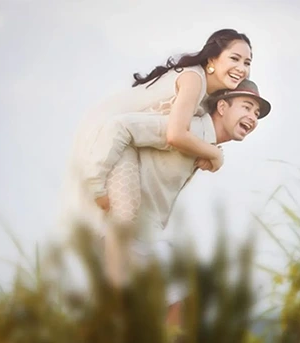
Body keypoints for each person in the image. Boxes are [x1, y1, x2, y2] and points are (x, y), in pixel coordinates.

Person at [65, 78, 272, 327]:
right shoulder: (188, 131)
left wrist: (214, 154)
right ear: (222, 107)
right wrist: (97, 186)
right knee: (175, 313)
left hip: (144, 237)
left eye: (257, 113)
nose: (253, 117)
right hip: (126, 234)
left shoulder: (202, 142)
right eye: (247, 107)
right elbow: (122, 127)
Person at [60, 29, 252, 279]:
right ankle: (115, 302)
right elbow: (175, 134)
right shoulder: (194, 80)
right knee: (125, 214)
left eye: (247, 62)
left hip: (132, 138)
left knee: (131, 233)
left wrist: (205, 151)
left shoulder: (208, 99)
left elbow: (186, 136)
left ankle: (122, 296)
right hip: (114, 138)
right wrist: (214, 154)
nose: (242, 68)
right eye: (234, 58)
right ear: (212, 59)